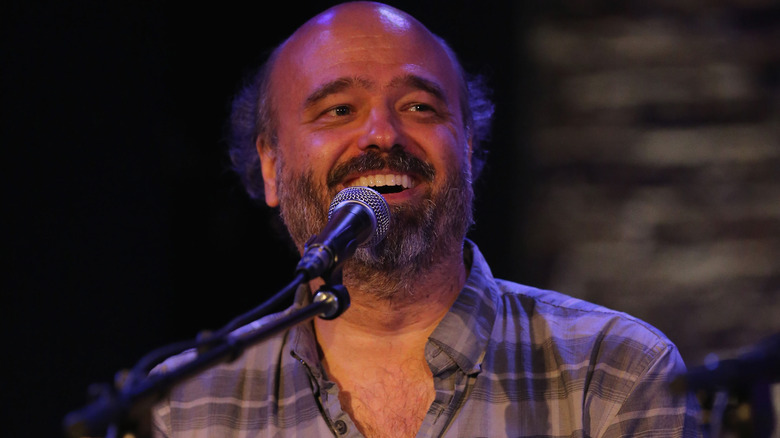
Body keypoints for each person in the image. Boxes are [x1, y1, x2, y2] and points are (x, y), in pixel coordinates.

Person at [151, 2, 701, 437]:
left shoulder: (615, 373)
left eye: (420, 107)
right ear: (271, 165)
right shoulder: (183, 407)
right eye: (339, 110)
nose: (383, 134)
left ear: (466, 146)